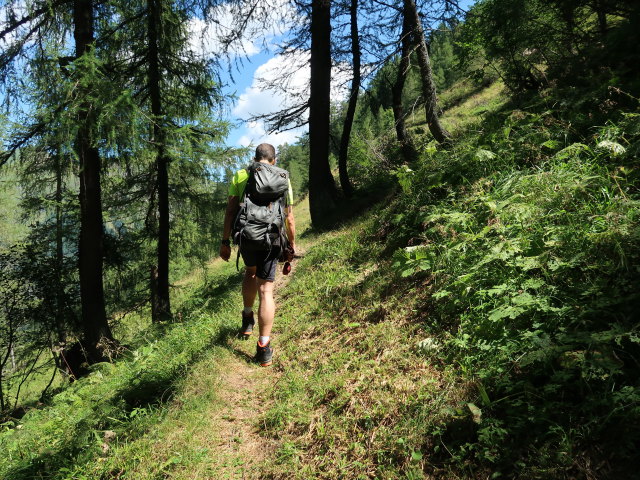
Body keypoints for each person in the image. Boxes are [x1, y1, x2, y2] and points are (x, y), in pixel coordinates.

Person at [219, 143, 296, 367]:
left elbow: (231, 210)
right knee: (267, 289)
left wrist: (225, 242)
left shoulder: (241, 175)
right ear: (273, 159)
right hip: (271, 238)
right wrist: (291, 245)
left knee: (249, 273)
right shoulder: (283, 177)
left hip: (247, 237)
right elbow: (289, 217)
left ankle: (247, 319)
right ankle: (264, 347)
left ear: (255, 158)